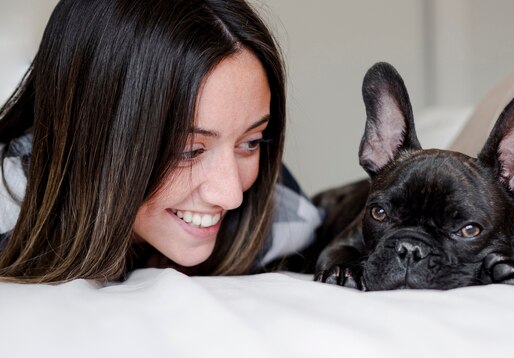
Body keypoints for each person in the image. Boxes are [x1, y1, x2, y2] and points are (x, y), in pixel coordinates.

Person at [0, 0, 322, 284]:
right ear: (92, 134)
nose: (231, 195)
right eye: (189, 151)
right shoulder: (10, 201)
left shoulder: (285, 217)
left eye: (251, 142)